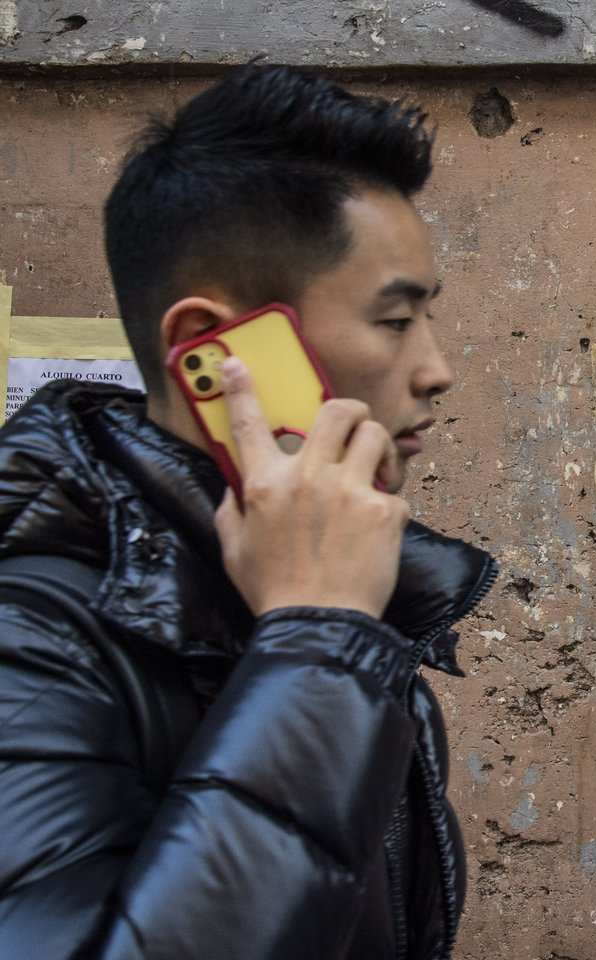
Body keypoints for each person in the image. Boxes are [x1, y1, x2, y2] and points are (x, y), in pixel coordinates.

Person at [0, 64, 497, 959]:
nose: (437, 370)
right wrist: (318, 638)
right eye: (395, 321)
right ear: (210, 349)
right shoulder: (29, 640)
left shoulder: (339, 604)